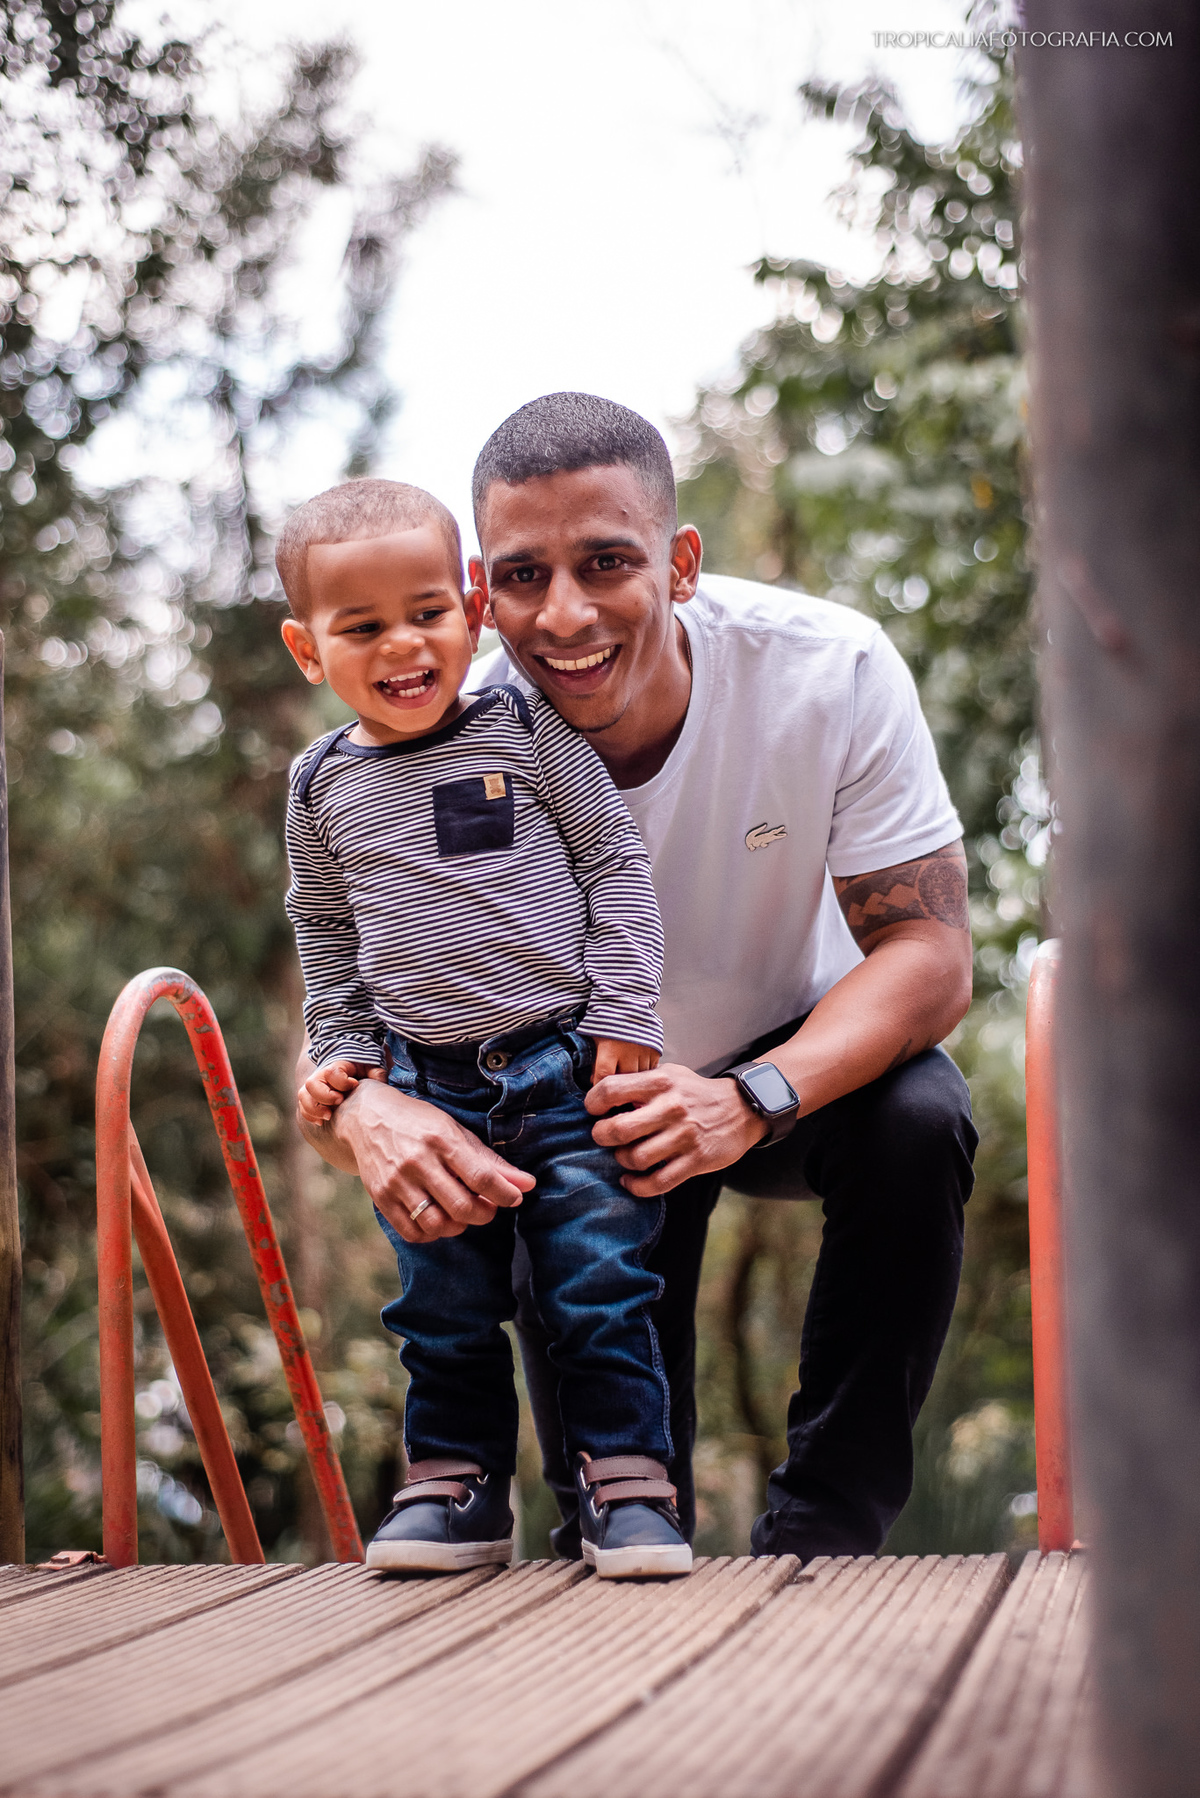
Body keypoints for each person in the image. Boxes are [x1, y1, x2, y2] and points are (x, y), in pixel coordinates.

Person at [296, 393, 977, 1563]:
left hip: (785, 1065)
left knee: (921, 1121)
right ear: (477, 591)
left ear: (682, 562)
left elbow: (930, 953)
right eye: (522, 576)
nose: (563, 614)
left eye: (608, 562)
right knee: (610, 1500)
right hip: (572, 1108)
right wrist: (363, 1103)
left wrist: (750, 1094)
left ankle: (824, 1537)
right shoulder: (432, 729)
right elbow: (352, 954)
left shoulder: (829, 668)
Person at [277, 476, 693, 1579]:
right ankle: (456, 1488)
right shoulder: (319, 785)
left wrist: (623, 1010)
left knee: (597, 1284)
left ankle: (629, 1483)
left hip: (563, 1072)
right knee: (441, 1305)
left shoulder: (525, 725)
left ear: (469, 603)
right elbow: (323, 925)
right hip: (425, 1083)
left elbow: (614, 864)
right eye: (361, 627)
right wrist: (345, 1051)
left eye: (425, 611)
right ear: (306, 649)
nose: (403, 644)